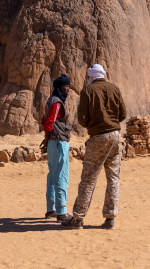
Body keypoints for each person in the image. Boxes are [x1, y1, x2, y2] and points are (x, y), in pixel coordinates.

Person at [62, 64, 126, 230]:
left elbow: (82, 119)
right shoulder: (115, 89)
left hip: (98, 137)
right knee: (113, 178)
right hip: (116, 136)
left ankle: (78, 218)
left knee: (89, 178)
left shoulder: (87, 91)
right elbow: (123, 114)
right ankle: (110, 218)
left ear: (91, 76)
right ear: (103, 74)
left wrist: (94, 124)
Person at [41, 73, 72, 222]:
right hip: (59, 142)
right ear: (59, 87)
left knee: (52, 175)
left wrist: (47, 138)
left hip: (52, 143)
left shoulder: (50, 100)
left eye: (68, 86)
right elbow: (49, 122)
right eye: (65, 86)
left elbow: (44, 119)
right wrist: (49, 136)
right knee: (61, 176)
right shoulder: (57, 102)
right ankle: (61, 212)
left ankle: (50, 209)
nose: (68, 89)